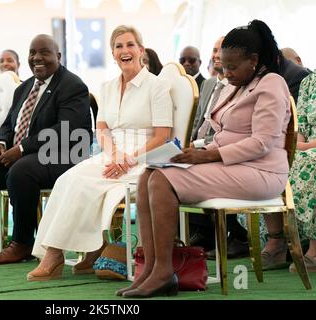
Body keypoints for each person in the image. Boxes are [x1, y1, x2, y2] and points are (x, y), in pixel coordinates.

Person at [118, 20, 290, 298]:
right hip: (227, 163)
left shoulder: (271, 84)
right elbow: (220, 132)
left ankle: (164, 271)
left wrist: (208, 155)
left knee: (162, 180)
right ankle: (149, 269)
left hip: (261, 172)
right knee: (148, 174)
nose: (226, 73)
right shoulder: (236, 84)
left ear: (254, 60)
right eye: (223, 66)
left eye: (233, 67)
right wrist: (190, 150)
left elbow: (262, 143)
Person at [27, 25, 173, 281]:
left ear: (140, 50)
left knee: (87, 185)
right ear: (113, 53)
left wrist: (129, 159)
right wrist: (115, 154)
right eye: (118, 46)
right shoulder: (107, 87)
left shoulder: (157, 86)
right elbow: (102, 128)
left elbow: (163, 136)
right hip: (112, 153)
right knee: (67, 180)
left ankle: (69, 253)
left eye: (130, 45)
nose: (124, 51)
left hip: (145, 157)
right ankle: (61, 252)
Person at [0, 34, 92, 264]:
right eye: (33, 53)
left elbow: (65, 130)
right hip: (24, 157)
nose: (37, 58)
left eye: (44, 52)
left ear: (58, 57)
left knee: (21, 170)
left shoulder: (73, 85)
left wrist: (22, 148)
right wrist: (0, 144)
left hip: (63, 156)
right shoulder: (23, 88)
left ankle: (22, 243)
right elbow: (8, 125)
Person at [188, 36, 250, 259]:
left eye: (221, 50)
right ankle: (200, 232)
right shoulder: (207, 84)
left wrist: (198, 148)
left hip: (219, 148)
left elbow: (227, 132)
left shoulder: (240, 88)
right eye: (214, 50)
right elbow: (197, 122)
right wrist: (188, 142)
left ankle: (234, 235)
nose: (216, 55)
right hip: (198, 143)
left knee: (192, 167)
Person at [287, 72, 316, 272]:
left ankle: (314, 250)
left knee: (308, 162)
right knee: (280, 159)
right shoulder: (309, 81)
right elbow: (301, 125)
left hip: (312, 150)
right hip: (308, 146)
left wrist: (305, 148)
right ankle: (280, 241)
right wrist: (298, 144)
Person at [0, 50, 22, 138]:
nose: (5, 64)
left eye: (10, 60)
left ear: (18, 64)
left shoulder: (25, 87)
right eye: (1, 61)